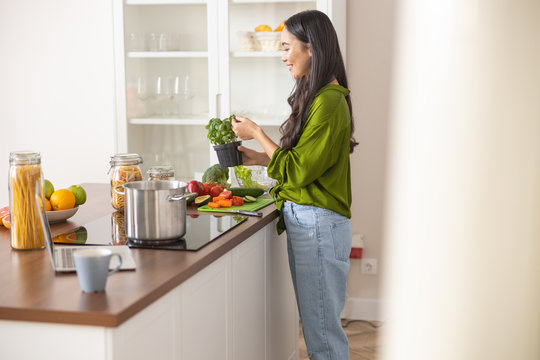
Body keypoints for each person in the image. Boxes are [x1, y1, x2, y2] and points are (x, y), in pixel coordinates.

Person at [231, 9, 358, 360]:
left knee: (323, 336)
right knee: (320, 329)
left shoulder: (330, 103)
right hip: (312, 223)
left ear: (312, 47)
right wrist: (258, 157)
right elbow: (303, 161)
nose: (283, 56)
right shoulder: (320, 98)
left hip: (318, 225)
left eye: (287, 47)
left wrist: (258, 133)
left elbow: (299, 170)